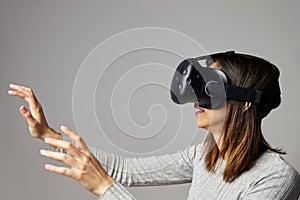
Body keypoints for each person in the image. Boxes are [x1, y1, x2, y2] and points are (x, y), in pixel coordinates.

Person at [8, 52, 300, 200]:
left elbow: (110, 179)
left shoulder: (275, 179)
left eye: (210, 87)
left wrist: (107, 190)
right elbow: (123, 169)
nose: (194, 99)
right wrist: (49, 134)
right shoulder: (205, 157)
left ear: (246, 102)